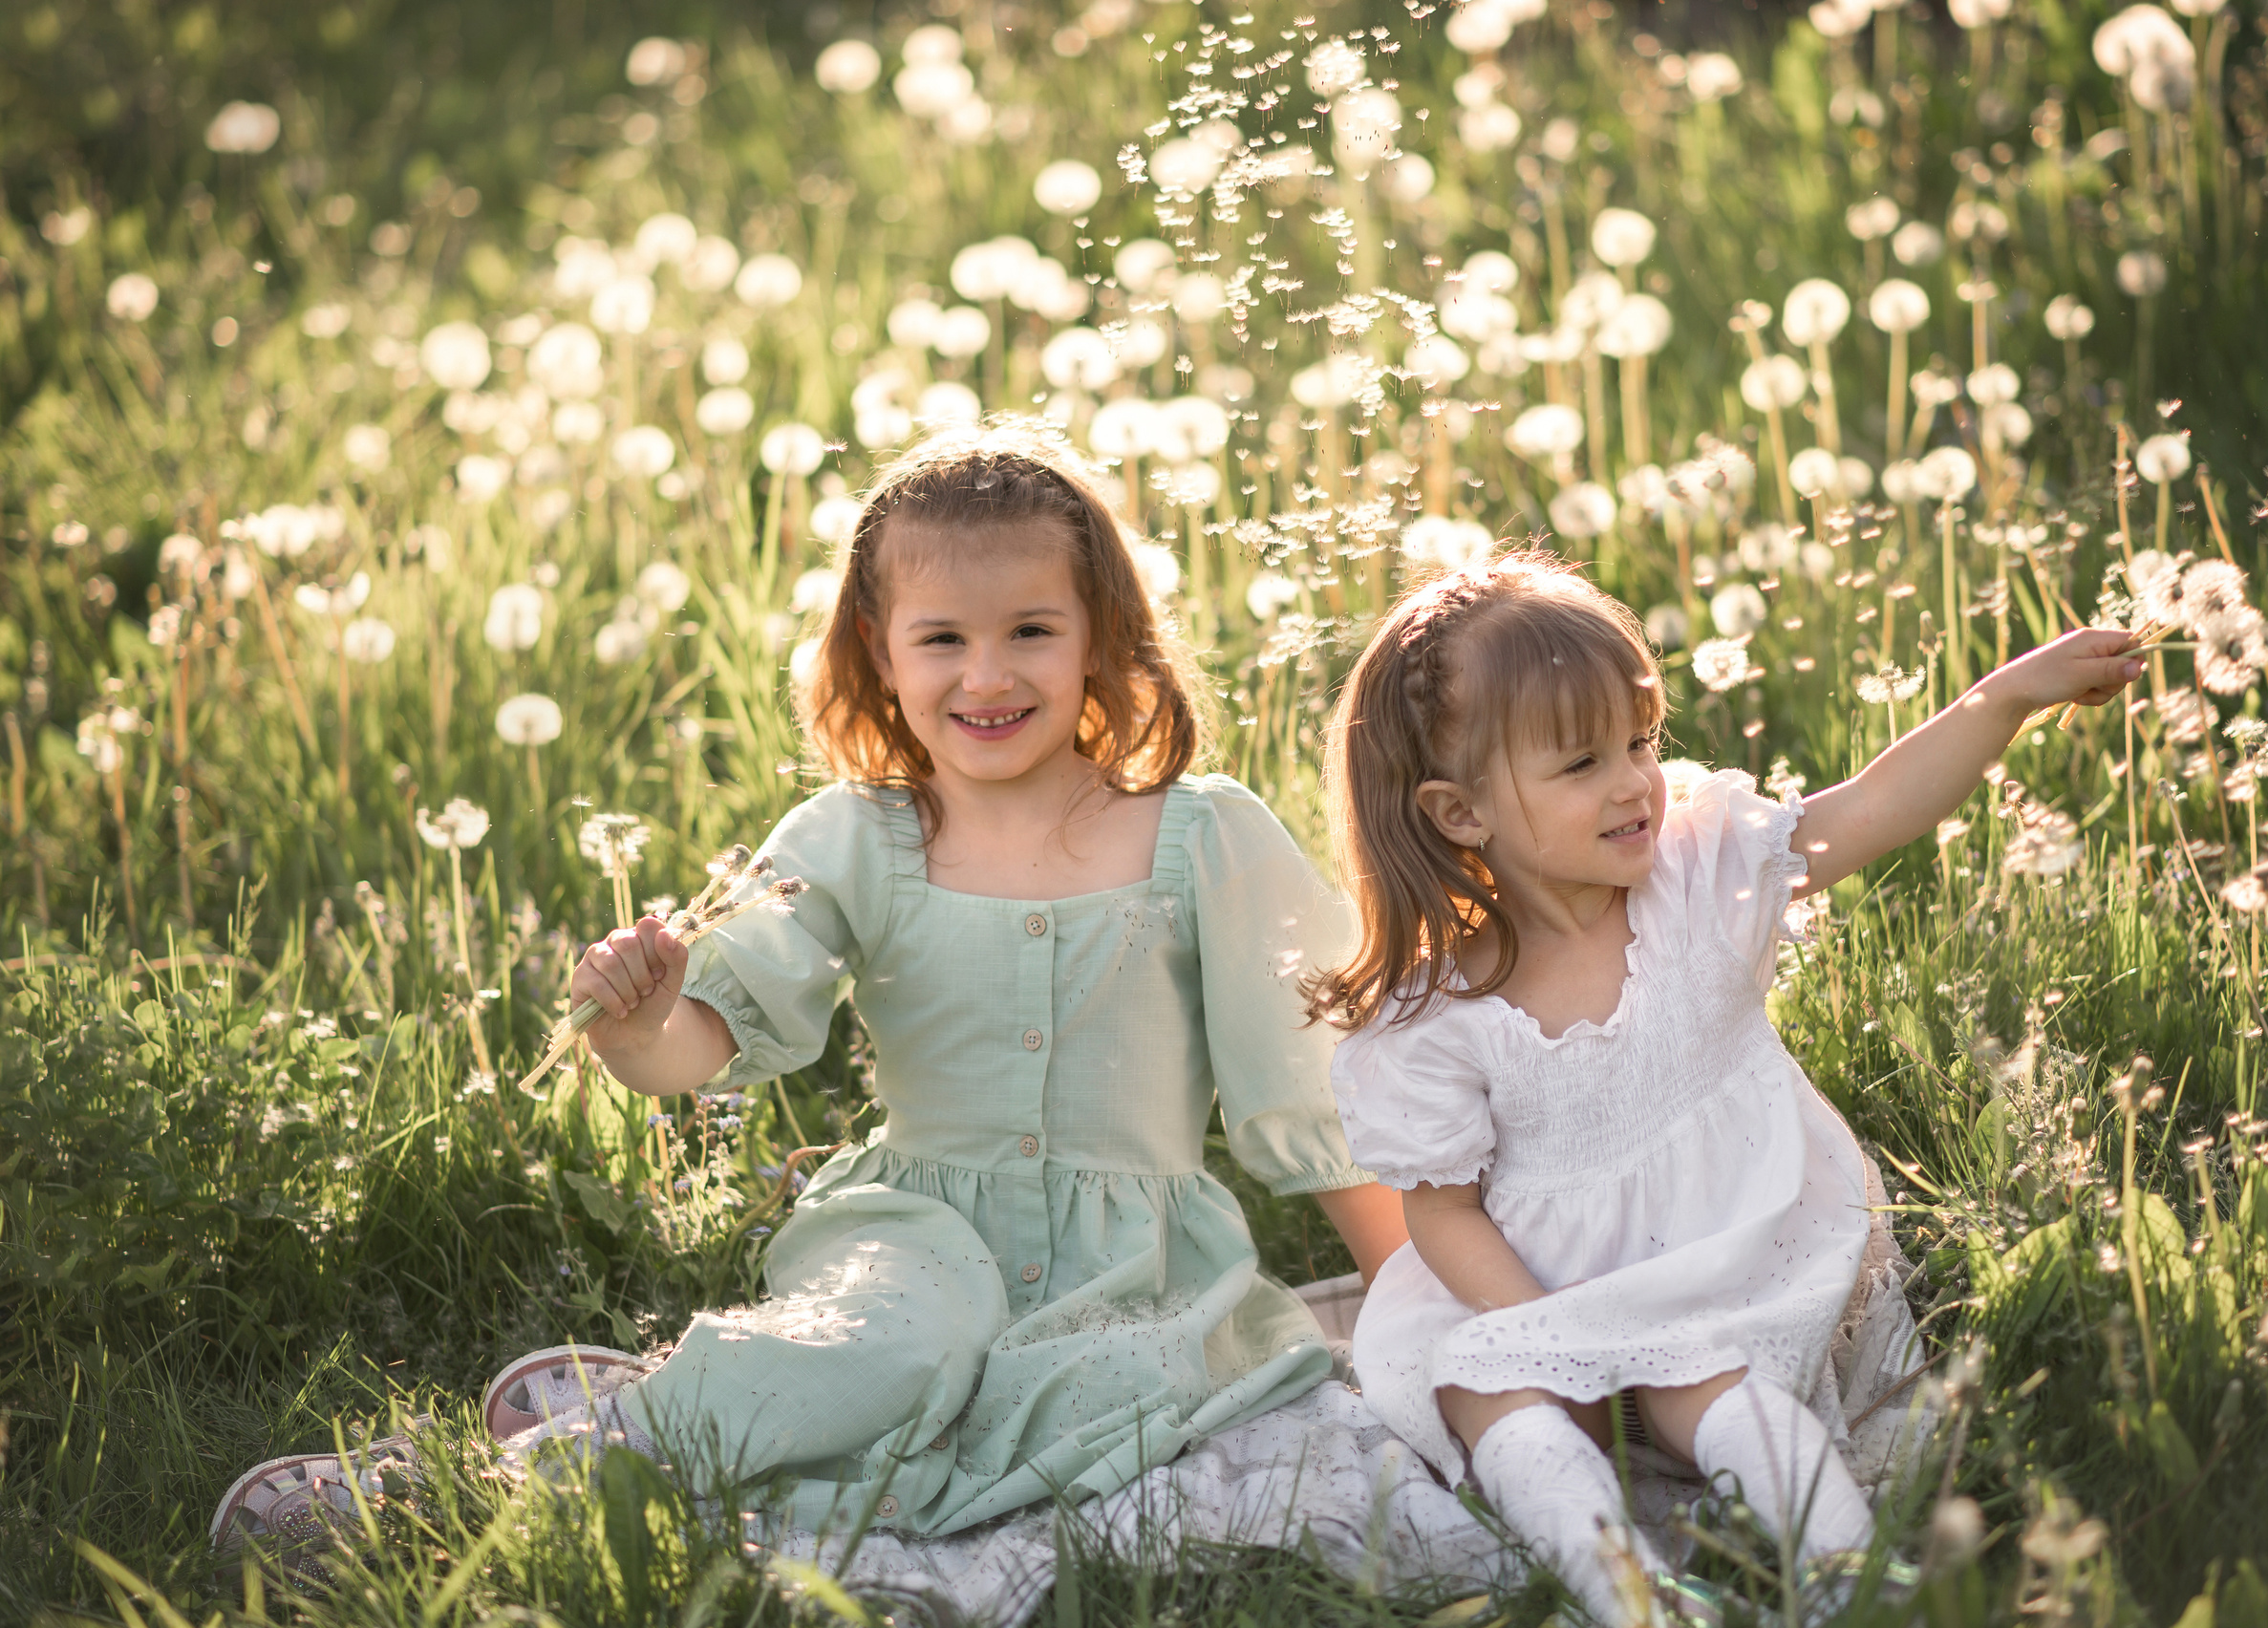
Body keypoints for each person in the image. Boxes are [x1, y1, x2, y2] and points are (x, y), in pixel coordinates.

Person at [212, 424, 1407, 1563]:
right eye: (941, 639)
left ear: (1101, 636)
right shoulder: (858, 838)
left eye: (1031, 630)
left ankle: (685, 1393)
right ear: (878, 650)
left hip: (1133, 1269)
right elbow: (705, 1041)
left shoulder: (1203, 836)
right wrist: (638, 1023)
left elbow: (1317, 1096)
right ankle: (490, 1488)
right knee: (895, 1345)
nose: (985, 675)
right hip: (912, 1236)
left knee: (1113, 1401)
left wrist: (1421, 1306)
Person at [1306, 552, 2143, 1628]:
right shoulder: (1435, 1015)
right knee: (1487, 1394)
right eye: (1580, 764)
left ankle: (1850, 1577)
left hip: (1720, 1262)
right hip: (1531, 1285)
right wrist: (1554, 1338)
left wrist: (2005, 699)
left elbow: (1877, 807)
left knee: (1714, 1386)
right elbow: (1444, 1213)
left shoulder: (1699, 874)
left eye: (1639, 742)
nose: (1633, 781)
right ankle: (1631, 1607)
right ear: (1458, 812)